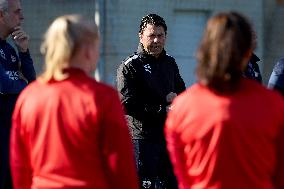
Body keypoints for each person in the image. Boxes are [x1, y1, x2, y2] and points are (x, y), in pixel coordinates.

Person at [10, 14, 139, 189]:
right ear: (87, 50)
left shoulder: (29, 96)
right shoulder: (102, 98)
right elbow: (121, 169)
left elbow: (20, 166)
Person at [165, 12, 284, 189]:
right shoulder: (273, 106)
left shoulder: (183, 107)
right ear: (248, 52)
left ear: (205, 49)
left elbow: (183, 176)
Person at [116, 13, 186, 189]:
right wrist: (162, 109)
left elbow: (182, 94)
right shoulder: (130, 66)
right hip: (143, 140)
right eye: (151, 35)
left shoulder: (170, 63)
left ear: (166, 37)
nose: (156, 41)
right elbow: (127, 104)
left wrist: (177, 100)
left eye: (160, 35)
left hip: (169, 138)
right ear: (141, 36)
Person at [0, 0, 36, 188]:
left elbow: (33, 86)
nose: (22, 17)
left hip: (14, 134)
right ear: (1, 15)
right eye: (17, 12)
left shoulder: (10, 50)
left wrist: (24, 52)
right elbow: (6, 86)